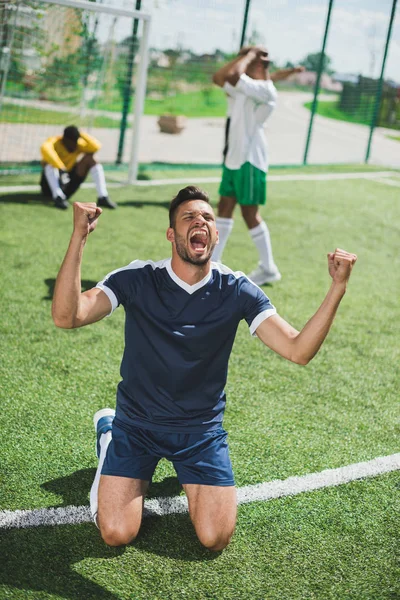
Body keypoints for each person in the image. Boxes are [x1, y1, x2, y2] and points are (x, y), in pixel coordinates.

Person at [52, 185, 357, 552]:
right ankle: (109, 436)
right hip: (137, 425)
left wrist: (337, 288)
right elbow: (67, 316)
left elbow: (298, 350)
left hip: (200, 432)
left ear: (214, 234)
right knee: (116, 532)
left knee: (214, 537)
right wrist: (79, 237)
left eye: (208, 218)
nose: (201, 221)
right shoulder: (138, 278)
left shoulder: (237, 289)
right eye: (189, 217)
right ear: (171, 234)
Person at [211, 46, 304, 285]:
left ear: (259, 65)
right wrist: (246, 57)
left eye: (247, 61)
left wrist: (251, 56)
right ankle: (214, 263)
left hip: (251, 160)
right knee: (224, 206)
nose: (241, 64)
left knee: (249, 213)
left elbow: (233, 76)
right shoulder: (246, 86)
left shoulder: (264, 89)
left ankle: (268, 267)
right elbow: (219, 78)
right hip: (234, 158)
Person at [40, 125, 117, 210]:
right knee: (49, 164)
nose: (74, 146)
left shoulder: (78, 144)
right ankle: (58, 197)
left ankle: (102, 196)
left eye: (76, 142)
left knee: (90, 158)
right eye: (71, 143)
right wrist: (61, 168)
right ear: (64, 139)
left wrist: (81, 134)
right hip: (49, 187)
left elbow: (96, 146)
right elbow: (46, 150)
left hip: (67, 183)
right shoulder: (54, 142)